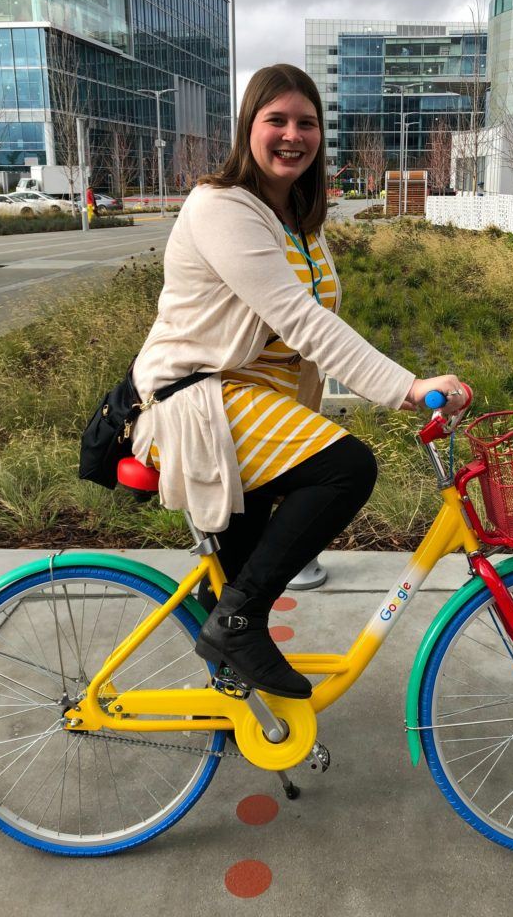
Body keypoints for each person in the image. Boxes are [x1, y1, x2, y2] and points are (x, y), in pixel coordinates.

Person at [131, 64, 464, 700]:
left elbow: (305, 330)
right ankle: (237, 624)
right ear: (247, 129)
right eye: (275, 120)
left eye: (306, 123)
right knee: (346, 469)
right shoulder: (222, 207)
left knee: (240, 570)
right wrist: (407, 386)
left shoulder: (296, 221)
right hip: (195, 402)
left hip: (252, 411)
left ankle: (229, 704)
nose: (293, 135)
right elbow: (300, 321)